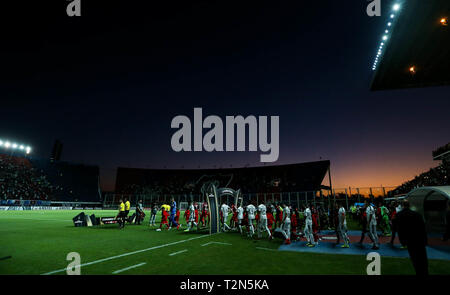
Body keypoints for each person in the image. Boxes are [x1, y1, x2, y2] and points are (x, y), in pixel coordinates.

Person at [396, 200, 428, 275]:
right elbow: (423, 228)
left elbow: (399, 229)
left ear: (403, 206)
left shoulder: (399, 215)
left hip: (409, 241)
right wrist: (425, 240)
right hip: (419, 240)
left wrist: (403, 242)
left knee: (415, 260)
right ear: (409, 205)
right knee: (423, 260)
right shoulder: (417, 214)